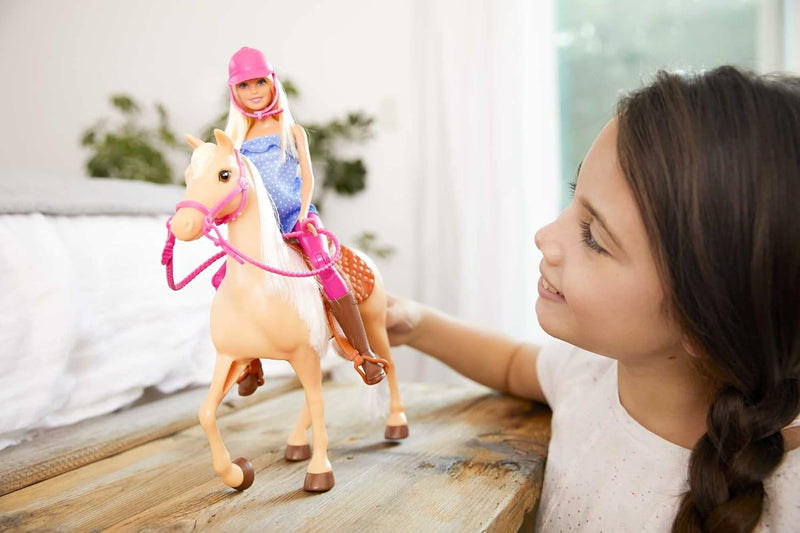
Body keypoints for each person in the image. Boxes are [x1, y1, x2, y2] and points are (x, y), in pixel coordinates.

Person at [386, 66, 800, 532]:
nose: (545, 236)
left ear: (706, 321)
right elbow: (512, 364)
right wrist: (417, 324)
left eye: (594, 237)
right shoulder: (591, 375)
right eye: (573, 194)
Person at [220, 46, 385, 391]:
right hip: (260, 228)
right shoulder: (236, 141)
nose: (254, 91)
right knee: (226, 278)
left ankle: (364, 353)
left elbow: (307, 178)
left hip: (297, 217)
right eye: (244, 85)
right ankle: (250, 362)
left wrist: (303, 213)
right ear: (234, 92)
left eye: (259, 82)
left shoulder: (291, 132)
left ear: (272, 82)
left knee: (325, 269)